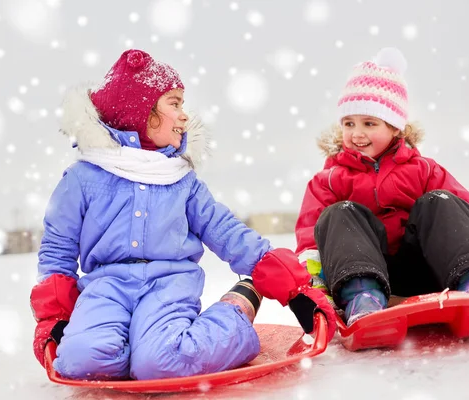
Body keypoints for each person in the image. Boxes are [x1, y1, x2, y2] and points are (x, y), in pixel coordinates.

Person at [29, 49, 337, 381]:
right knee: (81, 363)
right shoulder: (83, 178)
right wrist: (55, 317)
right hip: (105, 288)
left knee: (159, 364)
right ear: (141, 113)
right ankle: (137, 346)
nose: (184, 116)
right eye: (174, 104)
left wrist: (295, 289)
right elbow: (57, 250)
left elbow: (227, 232)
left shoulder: (181, 181)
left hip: (168, 286)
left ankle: (235, 310)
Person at [295, 47, 469, 327]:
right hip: (360, 271)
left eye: (369, 123)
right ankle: (362, 298)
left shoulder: (424, 169)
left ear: (395, 129)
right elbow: (310, 238)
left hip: (426, 270)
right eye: (349, 123)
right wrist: (313, 281)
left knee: (440, 200)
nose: (357, 133)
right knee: (339, 213)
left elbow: (463, 213)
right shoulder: (328, 180)